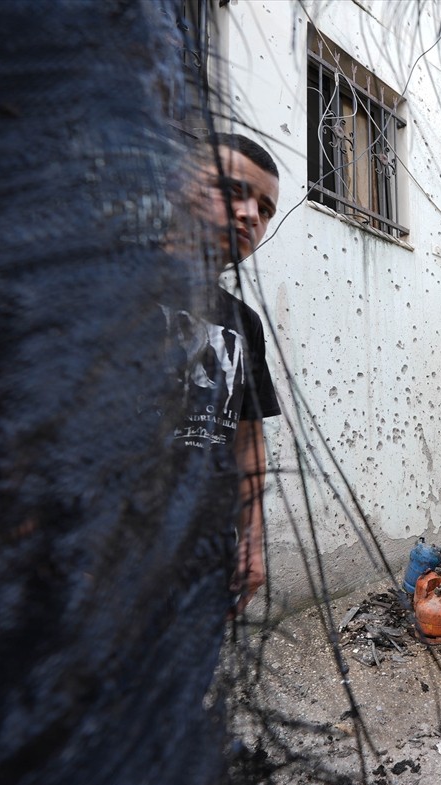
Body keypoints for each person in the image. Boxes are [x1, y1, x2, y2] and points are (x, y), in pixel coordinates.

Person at [171, 132, 282, 613]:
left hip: (202, 569)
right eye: (234, 192)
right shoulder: (103, 287)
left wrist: (252, 540)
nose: (250, 215)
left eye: (264, 207)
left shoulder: (244, 323)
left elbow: (247, 436)